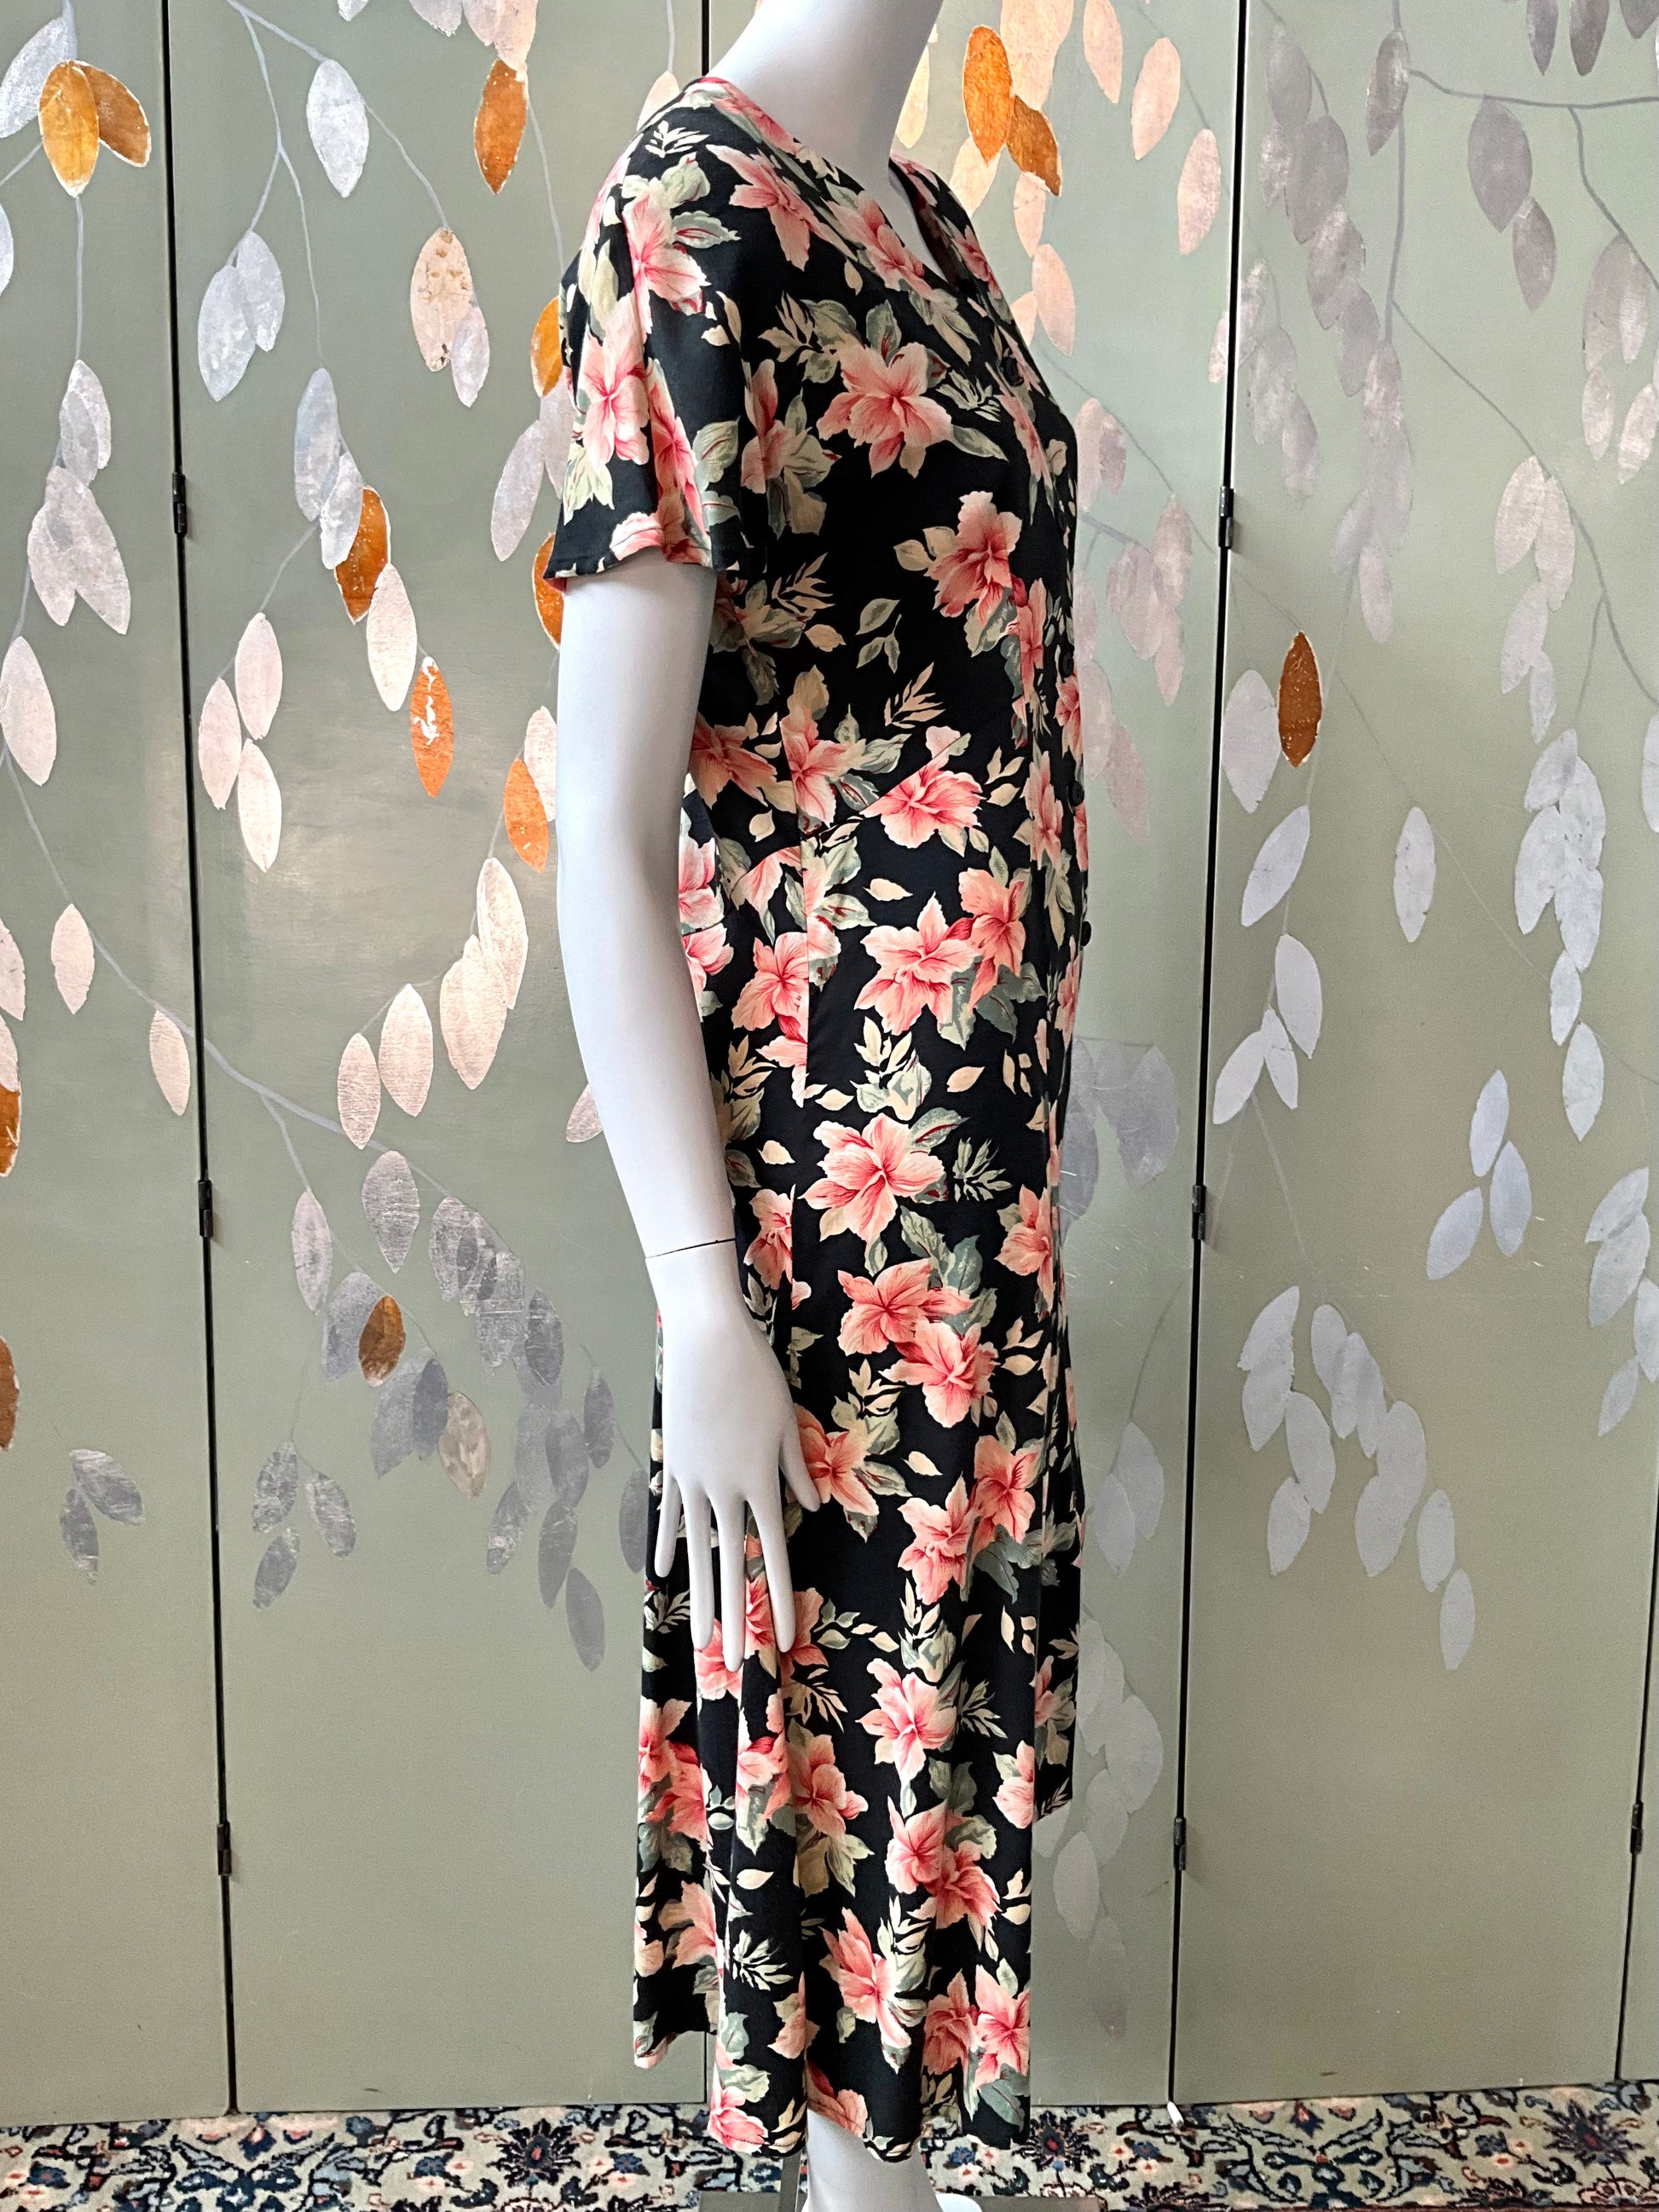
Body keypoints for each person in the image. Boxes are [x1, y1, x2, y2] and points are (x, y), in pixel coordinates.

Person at [549, 3, 1089, 2203]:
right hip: (824, 1213)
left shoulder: (929, 229)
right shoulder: (694, 213)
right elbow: (594, 824)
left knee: (923, 1769)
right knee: (840, 1776)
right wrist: (696, 1298)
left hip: (977, 1207)